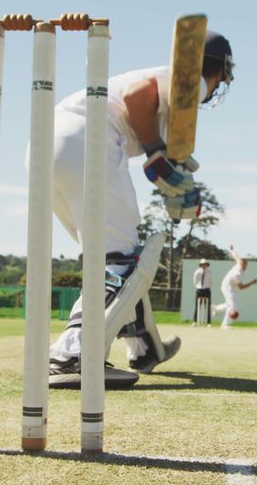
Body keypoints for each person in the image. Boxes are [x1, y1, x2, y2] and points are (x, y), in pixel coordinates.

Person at [44, 30, 235, 388]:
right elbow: (137, 98)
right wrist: (154, 151)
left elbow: (142, 108)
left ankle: (144, 347)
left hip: (46, 144)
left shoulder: (163, 76)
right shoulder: (193, 82)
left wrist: (164, 158)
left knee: (114, 257)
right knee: (123, 261)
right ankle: (71, 355)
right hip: (88, 141)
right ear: (221, 72)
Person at [214, 245, 257, 329]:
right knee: (233, 306)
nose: (245, 266)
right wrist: (252, 282)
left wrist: (231, 250)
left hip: (231, 286)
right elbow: (241, 287)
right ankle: (225, 324)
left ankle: (217, 309)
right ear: (241, 265)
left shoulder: (239, 262)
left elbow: (236, 256)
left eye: (246, 264)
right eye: (244, 265)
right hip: (227, 287)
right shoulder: (237, 273)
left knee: (230, 303)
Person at [191, 259, 213, 327]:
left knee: (208, 306)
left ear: (207, 265)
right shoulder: (197, 272)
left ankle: (208, 323)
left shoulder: (210, 272)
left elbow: (211, 281)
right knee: (197, 306)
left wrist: (207, 286)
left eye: (205, 264)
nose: (204, 265)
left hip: (207, 289)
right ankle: (195, 321)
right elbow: (195, 281)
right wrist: (198, 286)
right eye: (202, 264)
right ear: (200, 265)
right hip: (199, 289)